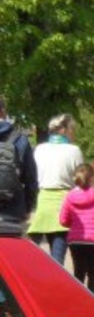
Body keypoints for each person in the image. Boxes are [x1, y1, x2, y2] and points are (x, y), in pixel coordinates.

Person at [28, 113, 84, 263]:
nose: (73, 132)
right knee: (57, 258)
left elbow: (33, 175)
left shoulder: (39, 149)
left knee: (29, 252)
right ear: (64, 130)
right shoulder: (74, 150)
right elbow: (80, 179)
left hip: (43, 201)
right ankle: (53, 284)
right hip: (64, 204)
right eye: (72, 128)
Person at [57, 163, 94, 293]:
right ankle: (93, 299)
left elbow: (63, 220)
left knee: (78, 271)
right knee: (93, 271)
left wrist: (73, 224)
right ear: (93, 178)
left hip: (76, 240)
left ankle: (79, 299)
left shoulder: (69, 197)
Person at [0, 95, 39, 240]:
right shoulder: (20, 139)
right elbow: (31, 179)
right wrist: (27, 208)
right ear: (3, 112)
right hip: (13, 211)